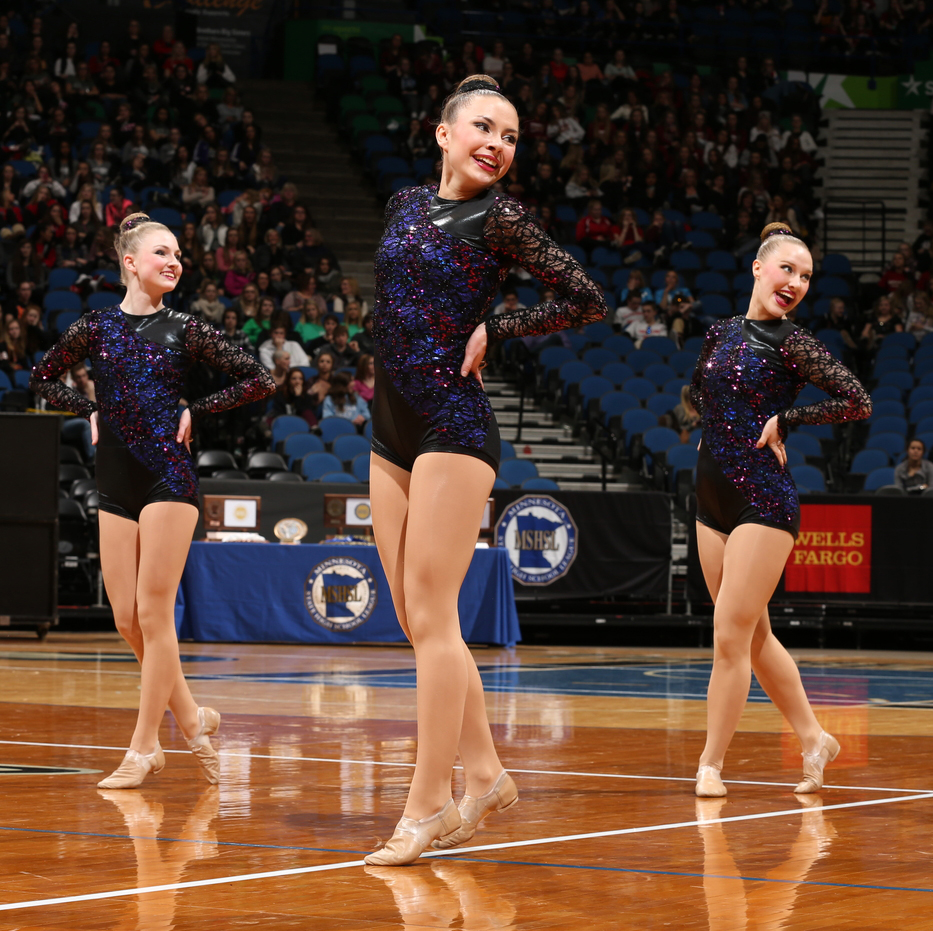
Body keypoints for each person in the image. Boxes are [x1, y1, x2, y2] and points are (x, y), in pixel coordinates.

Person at [364, 75, 606, 866]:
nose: (496, 144)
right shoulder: (403, 204)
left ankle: (428, 803)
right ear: (443, 133)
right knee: (413, 618)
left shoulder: (498, 216)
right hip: (389, 428)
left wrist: (497, 325)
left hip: (453, 425)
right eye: (482, 127)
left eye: (508, 135)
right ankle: (487, 772)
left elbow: (583, 295)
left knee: (434, 618)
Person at [30, 213, 275, 789]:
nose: (174, 262)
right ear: (131, 262)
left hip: (169, 477)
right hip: (114, 479)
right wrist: (86, 408)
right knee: (125, 618)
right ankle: (191, 716)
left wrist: (198, 408)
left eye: (179, 256)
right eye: (162, 253)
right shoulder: (95, 327)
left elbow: (258, 378)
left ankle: (145, 748)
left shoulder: (186, 329)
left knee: (154, 612)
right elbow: (41, 377)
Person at [690, 222, 871, 800]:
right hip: (710, 495)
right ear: (758, 269)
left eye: (806, 276)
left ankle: (711, 764)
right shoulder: (719, 333)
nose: (794, 282)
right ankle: (815, 738)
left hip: (764, 496)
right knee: (753, 631)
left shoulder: (794, 343)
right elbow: (703, 397)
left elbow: (856, 400)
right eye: (786, 269)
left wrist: (788, 419)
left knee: (728, 633)